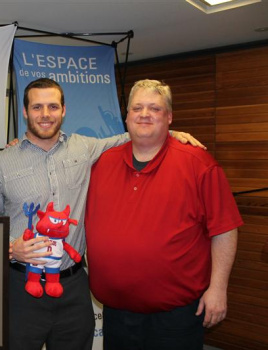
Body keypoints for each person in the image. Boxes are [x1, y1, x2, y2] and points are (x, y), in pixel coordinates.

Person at [0, 78, 203, 350]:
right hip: (22, 286)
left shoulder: (84, 148)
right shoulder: (1, 163)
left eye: (53, 106)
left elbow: (133, 135)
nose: (46, 114)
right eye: (37, 107)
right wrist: (12, 249)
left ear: (64, 110)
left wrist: (171, 132)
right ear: (25, 112)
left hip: (74, 288)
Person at [85, 79, 243, 350]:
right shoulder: (102, 162)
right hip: (117, 313)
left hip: (175, 318)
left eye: (154, 109)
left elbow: (225, 229)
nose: (144, 114)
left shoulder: (198, 164)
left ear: (169, 117)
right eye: (137, 108)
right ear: (126, 117)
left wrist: (218, 289)